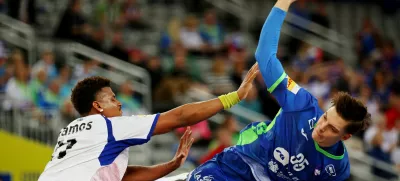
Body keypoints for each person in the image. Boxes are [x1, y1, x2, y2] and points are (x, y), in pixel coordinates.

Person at [187, 0, 371, 181]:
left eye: (332, 128)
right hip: (241, 164)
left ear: (345, 136)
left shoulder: (337, 169)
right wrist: (284, 2)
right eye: (325, 118)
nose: (321, 127)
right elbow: (265, 55)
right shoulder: (302, 105)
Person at [38, 62, 259, 181]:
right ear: (98, 106)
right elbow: (179, 117)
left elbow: (122, 177)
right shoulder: (109, 126)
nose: (120, 104)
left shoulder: (68, 131)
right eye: (113, 99)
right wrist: (234, 97)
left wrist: (170, 165)